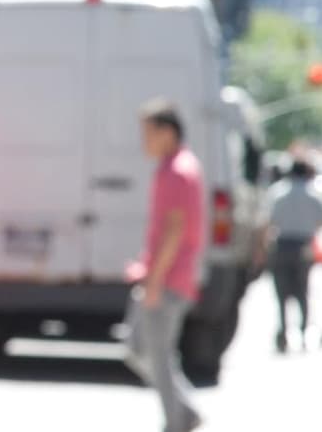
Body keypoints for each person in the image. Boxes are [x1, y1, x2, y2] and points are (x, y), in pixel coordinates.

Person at [127, 99, 205, 432]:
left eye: (148, 133)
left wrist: (155, 282)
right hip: (163, 275)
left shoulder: (177, 171)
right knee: (139, 348)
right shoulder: (173, 167)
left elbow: (174, 231)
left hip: (169, 279)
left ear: (168, 132)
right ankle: (185, 411)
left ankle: (177, 421)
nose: (143, 140)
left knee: (157, 355)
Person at [263, 158, 322, 352]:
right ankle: (303, 330)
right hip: (304, 247)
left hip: (282, 246)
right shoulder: (314, 194)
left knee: (281, 293)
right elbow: (321, 221)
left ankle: (283, 332)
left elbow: (269, 221)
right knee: (303, 291)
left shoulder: (277, 192)